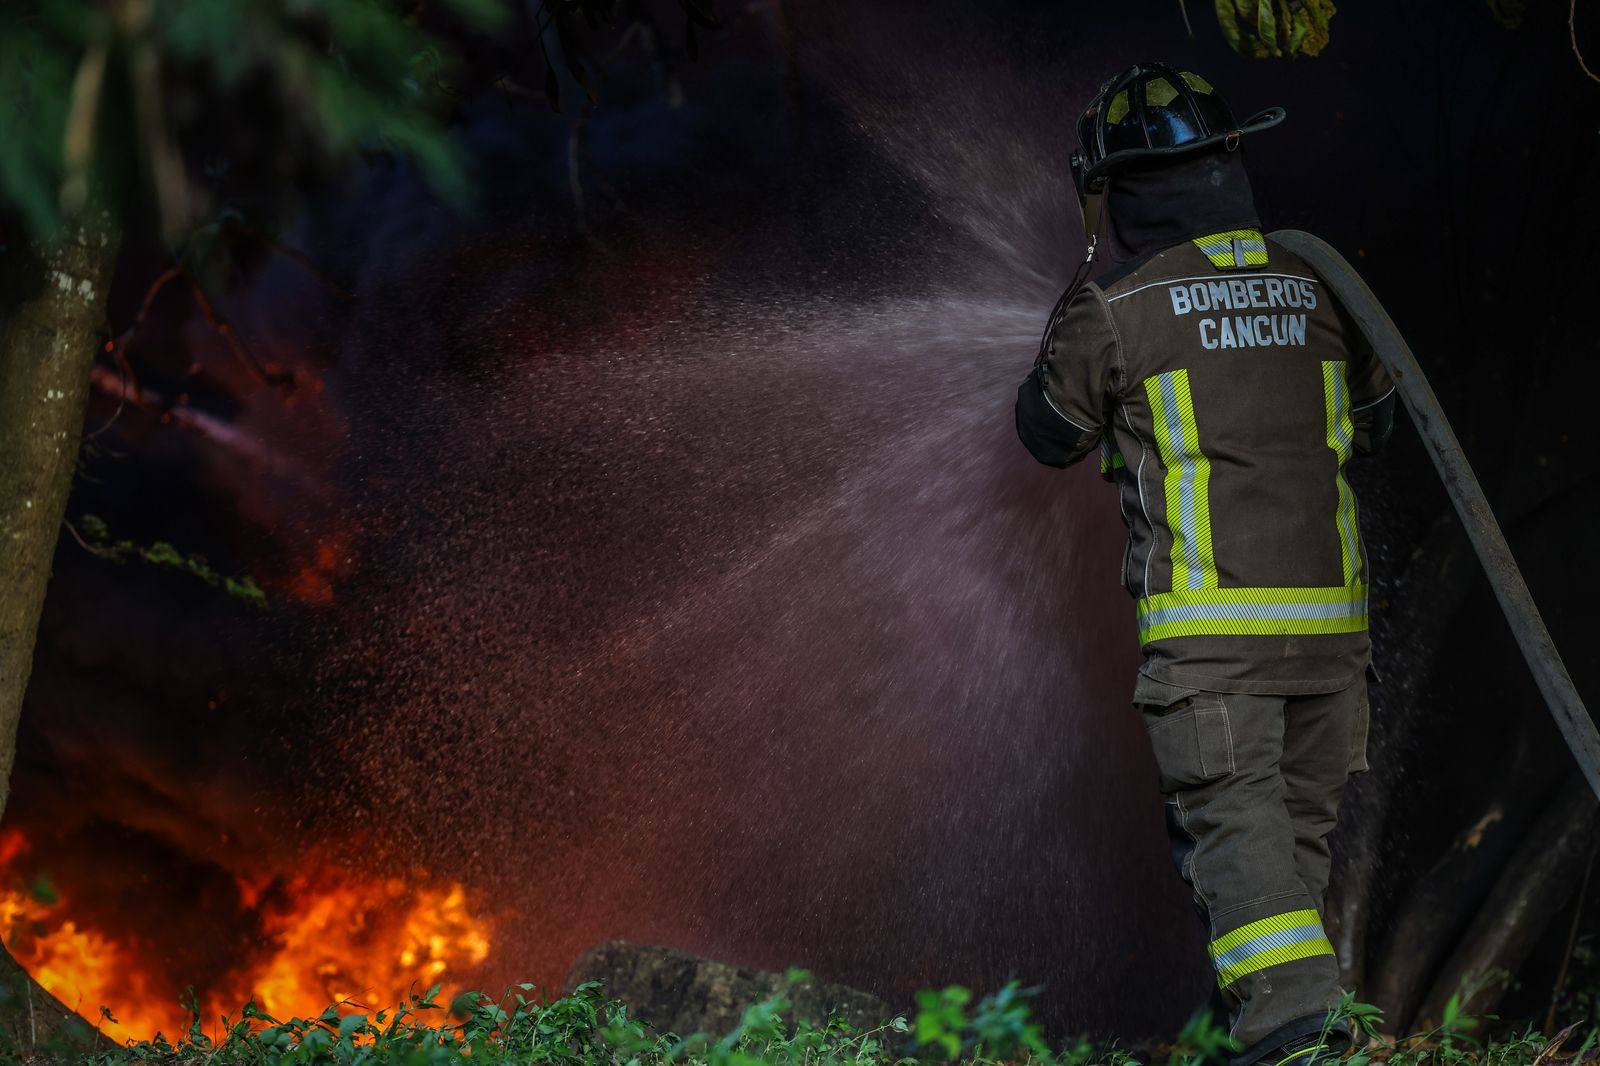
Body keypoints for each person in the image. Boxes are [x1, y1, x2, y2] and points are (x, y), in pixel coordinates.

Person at [1014, 63, 1397, 1066]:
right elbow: (1385, 420)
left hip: (1212, 641)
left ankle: (1290, 1036)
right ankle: (1287, 1030)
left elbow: (1045, 432)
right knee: (1286, 851)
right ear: (1227, 159)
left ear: (1117, 186)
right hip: (1332, 641)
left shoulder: (1117, 305)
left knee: (1236, 838)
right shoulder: (1320, 280)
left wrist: (1081, 314)